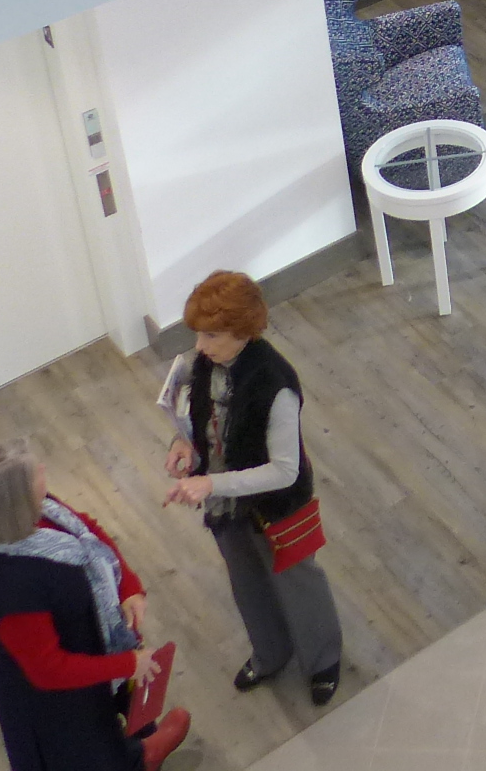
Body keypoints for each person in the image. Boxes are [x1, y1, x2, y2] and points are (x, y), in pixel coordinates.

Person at [160, 270, 344, 705]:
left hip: (275, 505)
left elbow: (284, 470)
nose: (200, 346)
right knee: (246, 580)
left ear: (243, 331)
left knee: (298, 580)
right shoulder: (206, 363)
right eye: (199, 334)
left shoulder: (276, 385)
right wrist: (181, 440)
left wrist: (210, 483)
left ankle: (322, 659)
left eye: (211, 335)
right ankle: (270, 652)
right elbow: (197, 416)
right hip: (226, 501)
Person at [0, 441, 191, 771]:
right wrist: (125, 664)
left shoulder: (40, 510)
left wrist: (128, 588)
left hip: (89, 647)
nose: (43, 471)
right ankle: (141, 758)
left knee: (117, 716)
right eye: (33, 474)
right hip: (48, 699)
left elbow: (87, 531)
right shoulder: (5, 585)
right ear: (12, 501)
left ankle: (139, 751)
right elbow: (49, 669)